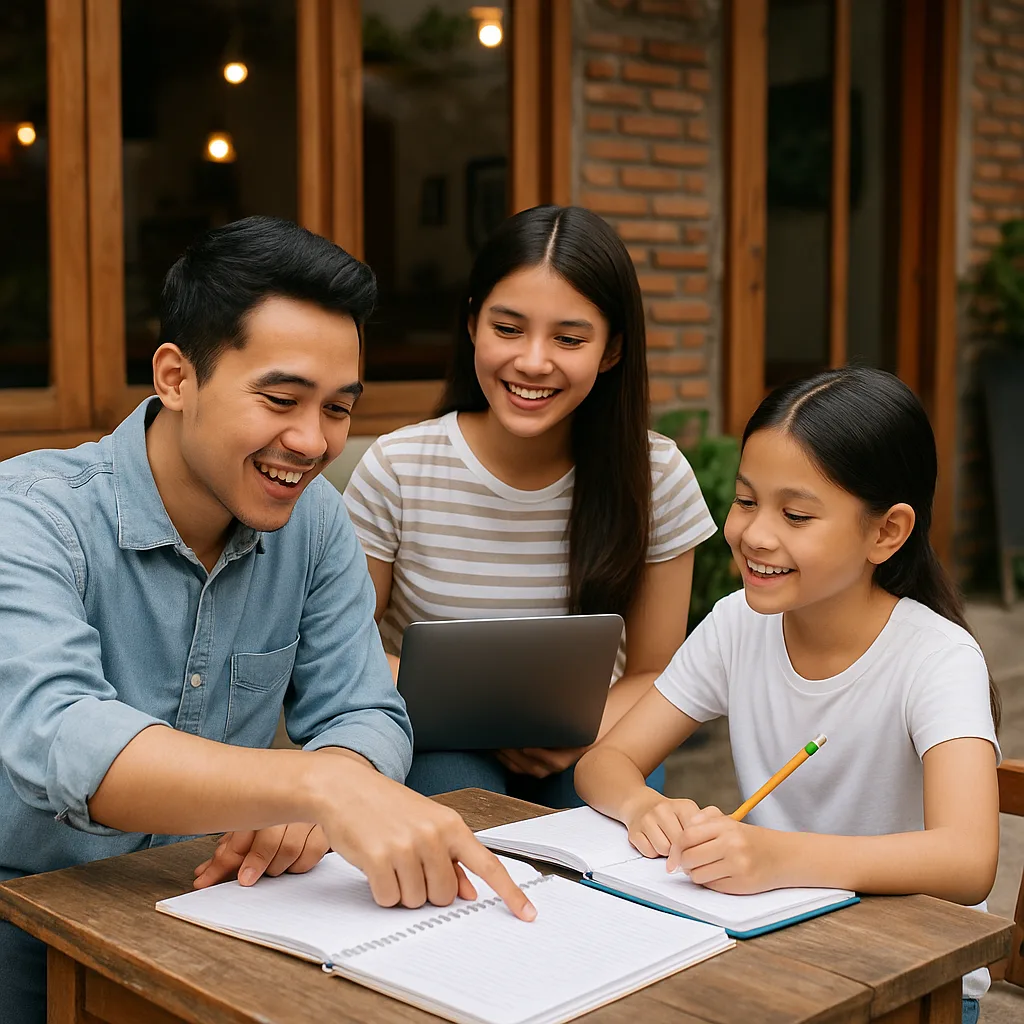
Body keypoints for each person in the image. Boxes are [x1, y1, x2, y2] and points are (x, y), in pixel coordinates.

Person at [0, 216, 533, 1024]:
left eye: (339, 408)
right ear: (176, 378)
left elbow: (364, 709)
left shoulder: (314, 522)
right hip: (26, 920)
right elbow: (65, 736)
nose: (313, 442)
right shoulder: (31, 514)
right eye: (281, 399)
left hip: (226, 911)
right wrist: (312, 783)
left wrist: (332, 780)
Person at [574, 366, 1001, 1024]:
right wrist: (642, 806)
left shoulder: (937, 659)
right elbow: (603, 762)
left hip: (909, 982)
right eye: (746, 501)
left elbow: (968, 859)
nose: (755, 535)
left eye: (795, 514)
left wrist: (780, 858)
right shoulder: (738, 625)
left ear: (886, 532)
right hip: (772, 953)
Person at [343, 205, 716, 807]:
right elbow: (349, 649)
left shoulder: (657, 477)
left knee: (612, 807)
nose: (533, 361)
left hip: (591, 738)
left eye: (569, 339)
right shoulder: (398, 468)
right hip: (437, 737)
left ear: (612, 350)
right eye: (508, 328)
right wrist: (478, 716)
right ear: (472, 326)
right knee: (451, 799)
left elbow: (657, 674)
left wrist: (578, 734)